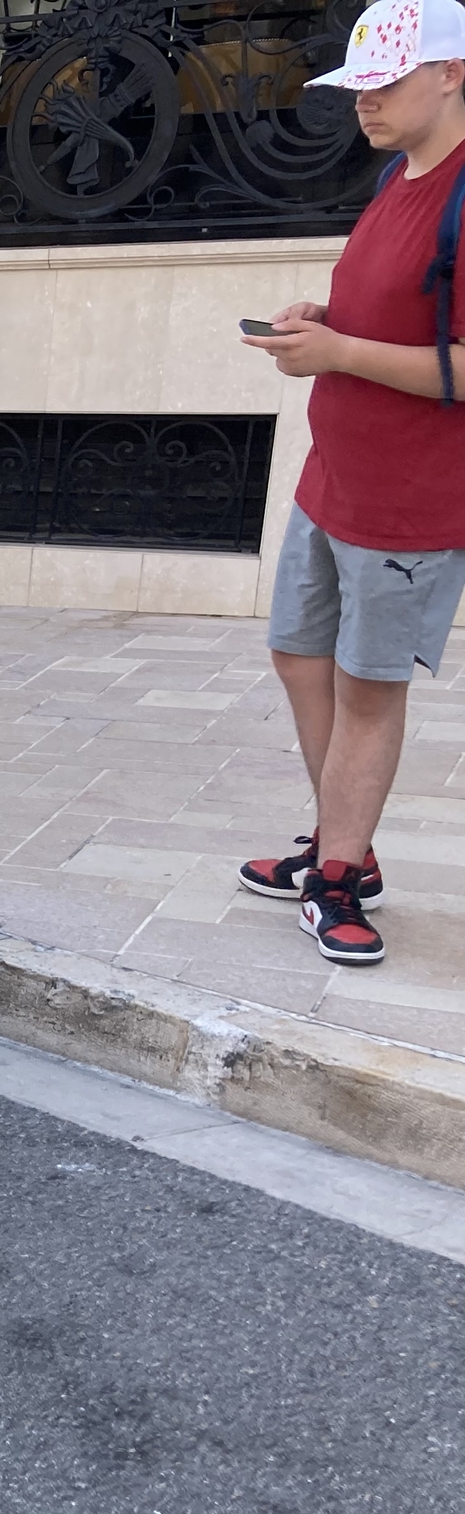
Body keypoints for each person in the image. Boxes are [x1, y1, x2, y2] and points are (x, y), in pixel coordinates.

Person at [238, 0, 465, 966]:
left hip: (409, 501)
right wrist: (326, 316)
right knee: (299, 655)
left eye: (385, 82)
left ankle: (338, 879)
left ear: (451, 73)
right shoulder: (397, 176)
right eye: (357, 86)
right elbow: (408, 311)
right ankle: (347, 841)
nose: (364, 102)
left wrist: (340, 350)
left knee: (370, 689)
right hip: (334, 476)